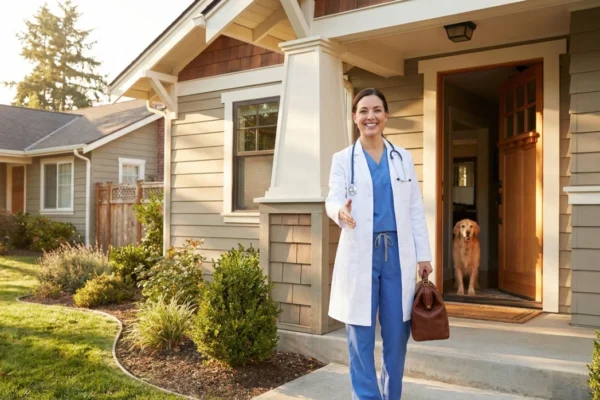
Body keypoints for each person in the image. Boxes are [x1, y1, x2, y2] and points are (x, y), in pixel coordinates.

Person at [325, 88, 433, 400]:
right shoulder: (343, 159)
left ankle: (391, 395)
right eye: (363, 111)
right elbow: (332, 198)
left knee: (397, 334)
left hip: (397, 254)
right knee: (360, 333)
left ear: (386, 116)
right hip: (361, 252)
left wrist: (423, 255)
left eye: (376, 110)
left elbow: (414, 209)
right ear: (355, 117)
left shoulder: (402, 158)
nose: (370, 116)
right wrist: (340, 211)